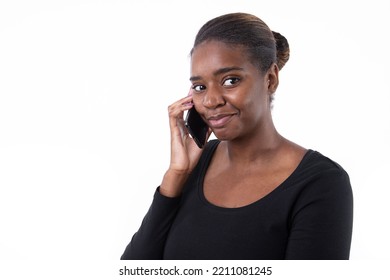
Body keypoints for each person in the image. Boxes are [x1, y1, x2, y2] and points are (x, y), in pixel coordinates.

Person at [121, 12, 353, 260]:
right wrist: (177, 176)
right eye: (200, 87)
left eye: (230, 80)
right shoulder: (195, 165)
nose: (210, 101)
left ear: (271, 79)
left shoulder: (321, 183)